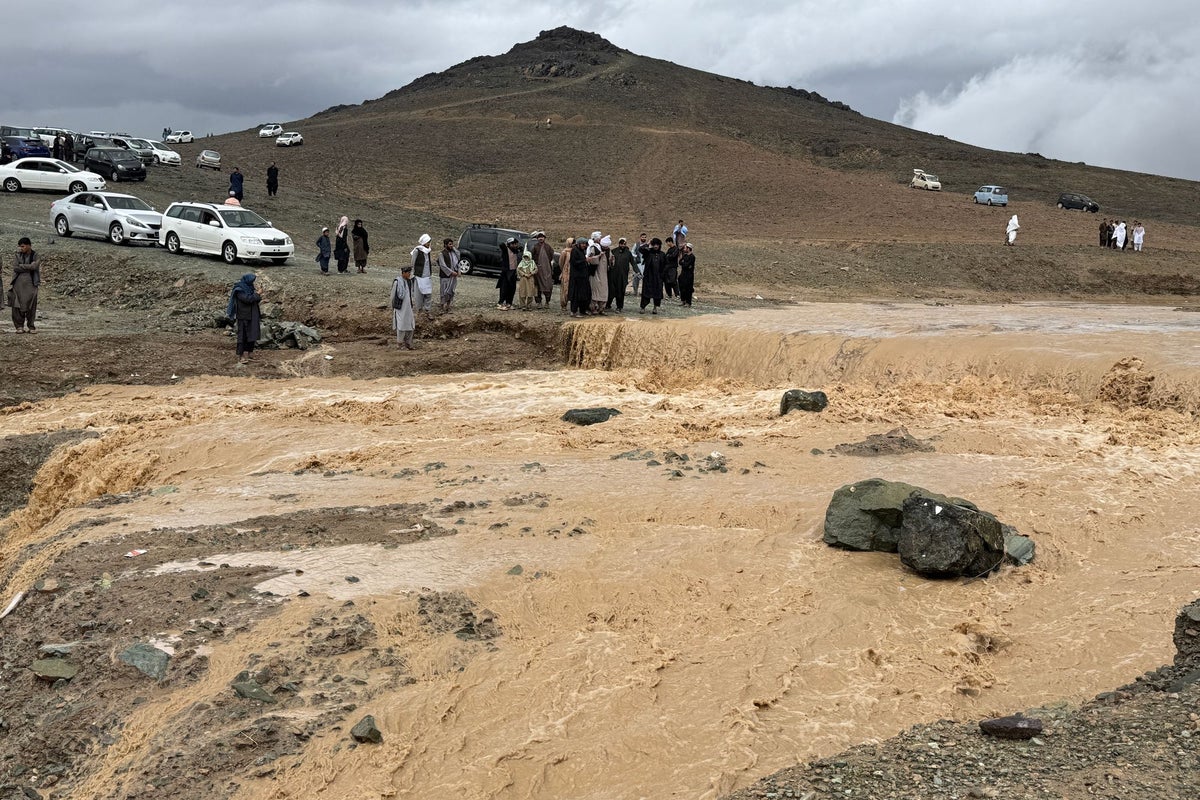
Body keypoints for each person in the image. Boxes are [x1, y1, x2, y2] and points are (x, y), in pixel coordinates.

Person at [225, 273, 261, 363]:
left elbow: (254, 299)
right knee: (242, 336)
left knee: (252, 334)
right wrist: (258, 294)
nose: (253, 283)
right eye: (252, 281)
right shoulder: (239, 289)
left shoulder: (250, 287)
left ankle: (250, 354)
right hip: (243, 316)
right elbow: (247, 299)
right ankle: (241, 356)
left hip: (252, 315)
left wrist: (257, 296)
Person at [10, 237, 40, 333]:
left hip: (31, 283)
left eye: (23, 246)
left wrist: (22, 266)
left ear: (29, 245)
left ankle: (31, 326)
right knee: (17, 304)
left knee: (31, 304)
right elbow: (15, 267)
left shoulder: (35, 255)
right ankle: (19, 326)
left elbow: (35, 266)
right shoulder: (18, 255)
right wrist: (28, 267)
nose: (21, 248)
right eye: (20, 246)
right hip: (18, 283)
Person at [391, 265, 417, 350]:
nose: (409, 274)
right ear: (404, 273)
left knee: (410, 324)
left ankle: (408, 343)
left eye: (410, 272)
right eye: (408, 273)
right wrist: (394, 306)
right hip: (400, 308)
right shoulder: (397, 282)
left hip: (408, 307)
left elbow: (410, 294)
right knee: (401, 326)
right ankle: (399, 344)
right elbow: (393, 296)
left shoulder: (409, 282)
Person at [639, 237, 666, 314]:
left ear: (659, 245)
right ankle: (643, 307)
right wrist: (647, 244)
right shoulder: (648, 252)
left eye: (657, 245)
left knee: (657, 293)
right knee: (646, 292)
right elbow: (640, 249)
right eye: (654, 244)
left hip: (658, 277)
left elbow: (665, 266)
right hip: (648, 276)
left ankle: (655, 308)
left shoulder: (662, 254)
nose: (656, 246)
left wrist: (662, 276)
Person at [568, 236, 592, 318]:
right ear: (579, 244)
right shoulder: (575, 251)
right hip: (576, 278)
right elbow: (574, 262)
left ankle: (583, 310)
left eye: (585, 244)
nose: (584, 245)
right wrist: (584, 260)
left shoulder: (582, 251)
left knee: (584, 294)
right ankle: (573, 311)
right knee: (576, 295)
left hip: (583, 277)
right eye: (582, 244)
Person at [607, 236, 633, 312]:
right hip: (613, 275)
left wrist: (638, 271)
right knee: (611, 291)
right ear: (619, 244)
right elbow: (609, 262)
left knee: (620, 292)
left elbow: (633, 263)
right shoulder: (614, 251)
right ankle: (608, 305)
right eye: (621, 244)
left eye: (624, 244)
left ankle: (619, 307)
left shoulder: (628, 253)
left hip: (622, 277)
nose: (622, 245)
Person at [529, 231, 555, 307]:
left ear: (544, 238)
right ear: (537, 239)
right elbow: (532, 257)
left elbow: (551, 256)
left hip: (547, 270)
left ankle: (547, 302)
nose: (541, 239)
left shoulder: (548, 247)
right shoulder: (535, 247)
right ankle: (538, 302)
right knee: (538, 286)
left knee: (548, 286)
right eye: (539, 237)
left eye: (542, 237)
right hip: (538, 270)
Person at [411, 234, 434, 315]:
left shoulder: (428, 251)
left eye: (429, 242)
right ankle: (419, 310)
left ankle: (427, 310)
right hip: (419, 276)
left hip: (427, 276)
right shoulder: (417, 251)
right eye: (427, 242)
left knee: (428, 293)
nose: (429, 244)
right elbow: (413, 263)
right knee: (418, 294)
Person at [436, 238, 460, 313]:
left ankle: (448, 306)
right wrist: (451, 272)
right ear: (445, 245)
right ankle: (442, 306)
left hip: (453, 277)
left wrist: (458, 271)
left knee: (451, 291)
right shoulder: (441, 254)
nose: (451, 246)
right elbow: (443, 266)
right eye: (450, 244)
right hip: (445, 276)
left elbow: (458, 259)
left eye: (452, 244)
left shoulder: (453, 253)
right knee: (444, 291)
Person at [586, 232, 608, 314]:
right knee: (595, 291)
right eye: (599, 238)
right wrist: (599, 256)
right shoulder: (592, 247)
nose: (600, 239)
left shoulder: (601, 247)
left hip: (603, 273)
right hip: (595, 273)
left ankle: (601, 308)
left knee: (603, 290)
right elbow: (590, 259)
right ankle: (593, 308)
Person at [496, 236, 520, 309]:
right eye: (513, 244)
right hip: (506, 272)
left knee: (512, 288)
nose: (515, 245)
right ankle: (500, 302)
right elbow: (501, 244)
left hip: (513, 271)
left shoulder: (516, 251)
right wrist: (507, 243)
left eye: (515, 244)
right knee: (504, 288)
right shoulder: (505, 250)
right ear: (509, 244)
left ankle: (509, 303)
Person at [559, 237, 575, 314]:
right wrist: (563, 270)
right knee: (565, 289)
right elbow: (561, 263)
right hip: (566, 272)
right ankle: (563, 305)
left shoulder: (575, 251)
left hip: (574, 272)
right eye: (572, 243)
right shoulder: (564, 252)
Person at [678, 242, 696, 307]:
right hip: (683, 274)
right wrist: (684, 263)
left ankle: (688, 302)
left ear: (688, 249)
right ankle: (683, 300)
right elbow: (680, 262)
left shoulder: (692, 257)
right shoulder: (685, 255)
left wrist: (684, 263)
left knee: (688, 289)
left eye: (685, 248)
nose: (684, 249)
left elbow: (686, 265)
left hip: (689, 275)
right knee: (682, 288)